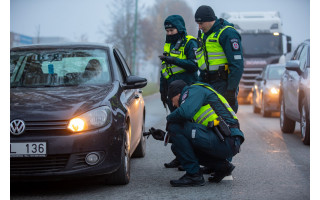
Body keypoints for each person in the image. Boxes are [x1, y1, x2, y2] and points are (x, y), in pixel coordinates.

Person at [164, 80, 244, 187]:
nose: (173, 104)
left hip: (227, 138)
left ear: (179, 94)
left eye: (172, 100)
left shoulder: (194, 90)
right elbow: (184, 138)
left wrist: (168, 119)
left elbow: (185, 113)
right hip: (226, 140)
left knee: (174, 125)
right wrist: (165, 136)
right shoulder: (195, 98)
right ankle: (221, 167)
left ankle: (194, 175)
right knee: (176, 146)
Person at [159, 15, 199, 169]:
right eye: (167, 31)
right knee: (175, 126)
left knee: (187, 127)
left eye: (172, 30)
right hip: (171, 92)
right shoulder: (168, 45)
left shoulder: (190, 42)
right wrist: (163, 91)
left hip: (187, 92)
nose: (169, 33)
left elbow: (194, 65)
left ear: (180, 29)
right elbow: (165, 70)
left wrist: (173, 60)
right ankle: (180, 156)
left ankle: (190, 159)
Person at [194, 5, 244, 113]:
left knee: (225, 121)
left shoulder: (228, 33)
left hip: (223, 84)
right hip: (208, 83)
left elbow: (237, 65)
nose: (199, 27)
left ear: (210, 20)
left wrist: (231, 90)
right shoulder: (205, 36)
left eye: (201, 23)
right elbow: (204, 64)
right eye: (198, 24)